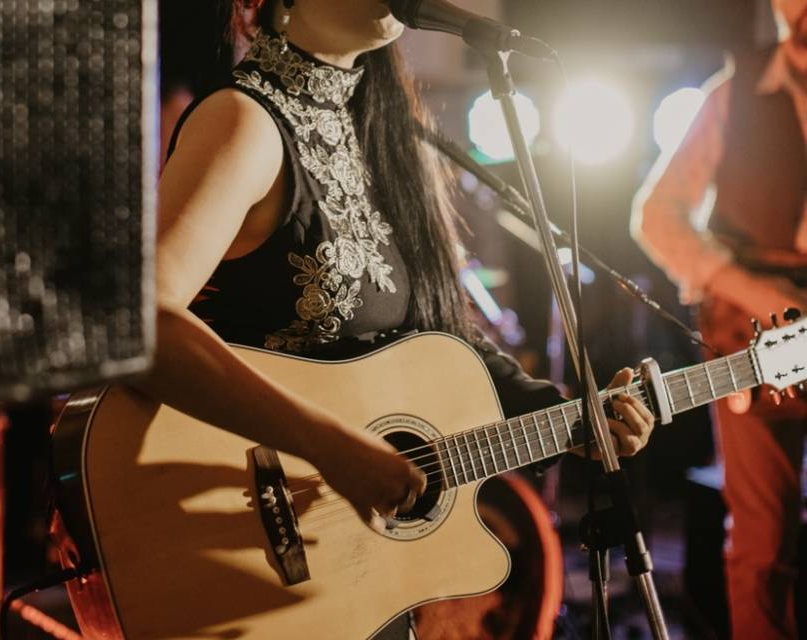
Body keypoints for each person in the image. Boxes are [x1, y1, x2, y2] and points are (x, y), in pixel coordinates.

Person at [141, 1, 656, 636]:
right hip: (238, 548)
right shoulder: (242, 122)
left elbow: (440, 337)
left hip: (353, 574)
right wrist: (330, 447)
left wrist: (576, 418)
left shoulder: (381, 131)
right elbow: (144, 324)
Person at [632, 1, 807, 635]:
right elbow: (656, 216)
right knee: (763, 537)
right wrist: (751, 289)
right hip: (757, 333)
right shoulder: (733, 94)